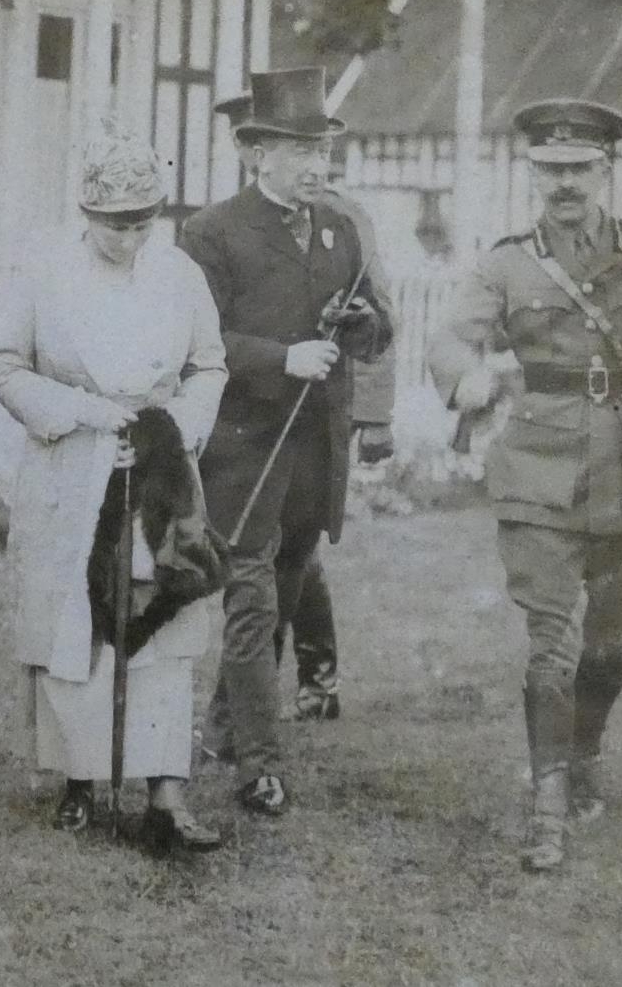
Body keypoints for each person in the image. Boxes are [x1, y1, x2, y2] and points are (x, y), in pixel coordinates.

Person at [428, 99, 622, 872]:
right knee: (551, 645)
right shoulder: (506, 262)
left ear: (605, 170)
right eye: (551, 170)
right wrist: (466, 378)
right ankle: (548, 806)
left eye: (579, 169)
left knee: (609, 648)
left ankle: (585, 756)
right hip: (539, 473)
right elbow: (450, 337)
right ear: (534, 174)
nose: (565, 183)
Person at [0, 119, 228, 852]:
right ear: (87, 215)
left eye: (142, 223)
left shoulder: (180, 273)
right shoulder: (43, 270)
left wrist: (177, 426)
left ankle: (167, 792)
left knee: (165, 612)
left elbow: (208, 364)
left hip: (158, 471)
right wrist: (82, 412)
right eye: (114, 225)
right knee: (77, 620)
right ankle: (80, 779)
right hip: (74, 465)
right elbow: (3, 367)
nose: (129, 238)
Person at [179, 67, 392, 815]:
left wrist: (360, 325)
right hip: (244, 447)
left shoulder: (340, 228)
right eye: (298, 150)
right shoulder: (212, 231)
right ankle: (259, 767)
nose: (315, 164)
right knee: (252, 601)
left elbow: (379, 322)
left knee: (290, 580)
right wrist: (283, 357)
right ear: (253, 153)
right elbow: (198, 340)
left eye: (322, 148)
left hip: (315, 450)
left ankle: (221, 728)